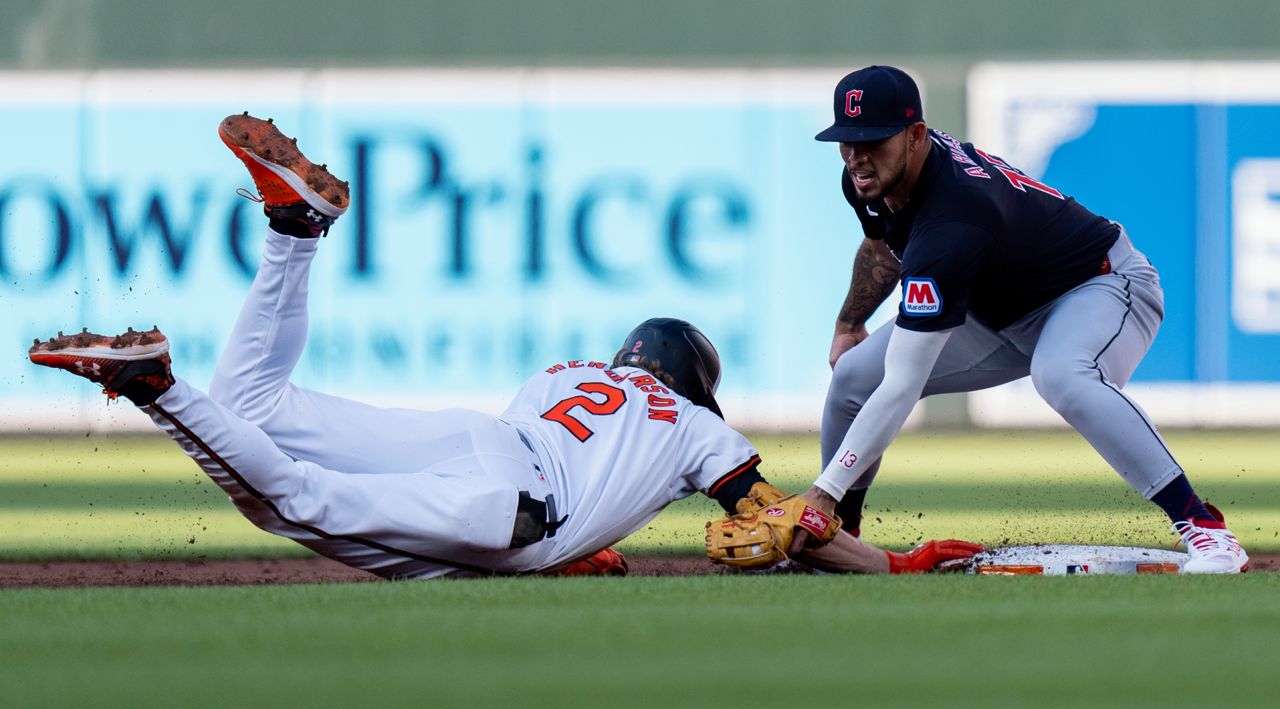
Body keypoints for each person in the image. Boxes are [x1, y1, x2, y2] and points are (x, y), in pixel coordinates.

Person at [28, 113, 981, 579]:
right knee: (292, 503)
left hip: (483, 441)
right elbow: (785, 527)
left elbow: (594, 474)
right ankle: (157, 386)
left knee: (260, 408)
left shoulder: (567, 372)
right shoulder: (697, 429)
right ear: (697, 383)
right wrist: (879, 560)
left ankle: (294, 233)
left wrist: (588, 550)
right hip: (515, 505)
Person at [798, 65, 1248, 573]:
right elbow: (883, 245)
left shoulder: (954, 219)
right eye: (846, 140)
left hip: (1100, 285)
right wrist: (848, 324)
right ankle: (835, 545)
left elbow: (904, 384)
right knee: (856, 375)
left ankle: (1206, 531)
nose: (857, 156)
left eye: (873, 140)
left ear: (916, 135)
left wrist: (822, 491)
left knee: (1062, 374)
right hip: (1000, 313)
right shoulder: (871, 177)